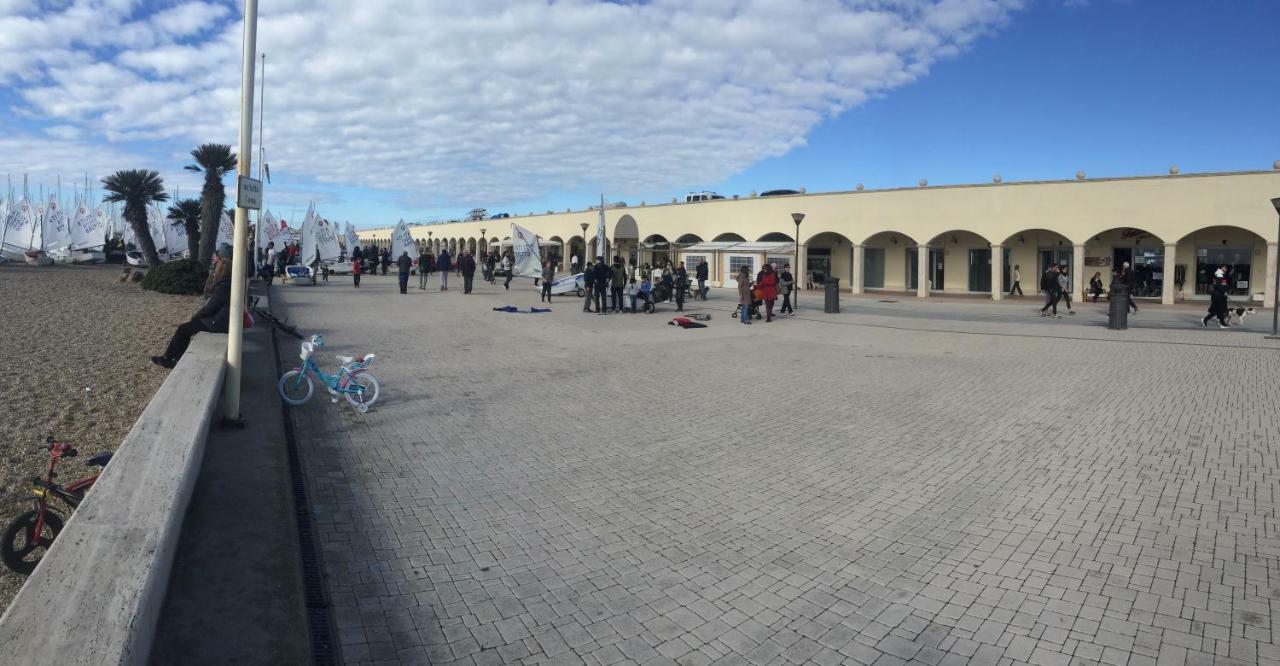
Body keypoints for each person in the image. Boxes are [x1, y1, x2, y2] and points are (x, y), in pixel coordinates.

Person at [151, 244, 234, 368]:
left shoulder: (223, 287)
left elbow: (210, 308)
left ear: (221, 271)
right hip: (223, 321)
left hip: (218, 323)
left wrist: (195, 317)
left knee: (183, 329)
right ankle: (174, 358)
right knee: (186, 329)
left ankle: (168, 359)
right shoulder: (228, 284)